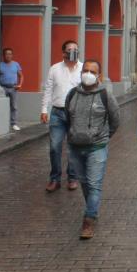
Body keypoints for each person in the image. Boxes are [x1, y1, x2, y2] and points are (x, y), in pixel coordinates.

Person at [65, 59, 120, 239]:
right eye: (85, 70)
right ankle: (93, 209)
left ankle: (88, 220)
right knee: (84, 182)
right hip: (75, 146)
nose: (87, 74)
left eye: (92, 71)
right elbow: (68, 117)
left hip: (97, 147)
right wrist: (72, 134)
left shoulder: (105, 95)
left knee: (94, 185)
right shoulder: (72, 94)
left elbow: (115, 120)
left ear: (99, 76)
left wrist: (102, 137)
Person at [41, 40, 83, 192]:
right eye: (70, 49)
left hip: (75, 113)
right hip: (57, 113)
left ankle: (72, 177)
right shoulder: (55, 68)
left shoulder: (84, 68)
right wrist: (44, 109)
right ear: (63, 52)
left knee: (73, 147)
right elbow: (48, 89)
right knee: (54, 146)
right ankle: (55, 178)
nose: (73, 51)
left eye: (76, 49)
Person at [0, 48, 23, 131]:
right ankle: (2, 123)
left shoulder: (16, 64)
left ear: (12, 55)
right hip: (3, 88)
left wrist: (20, 84)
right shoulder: (0, 65)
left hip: (13, 88)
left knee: (14, 106)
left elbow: (21, 75)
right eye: (6, 54)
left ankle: (13, 124)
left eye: (10, 54)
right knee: (3, 106)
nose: (8, 56)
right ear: (3, 55)